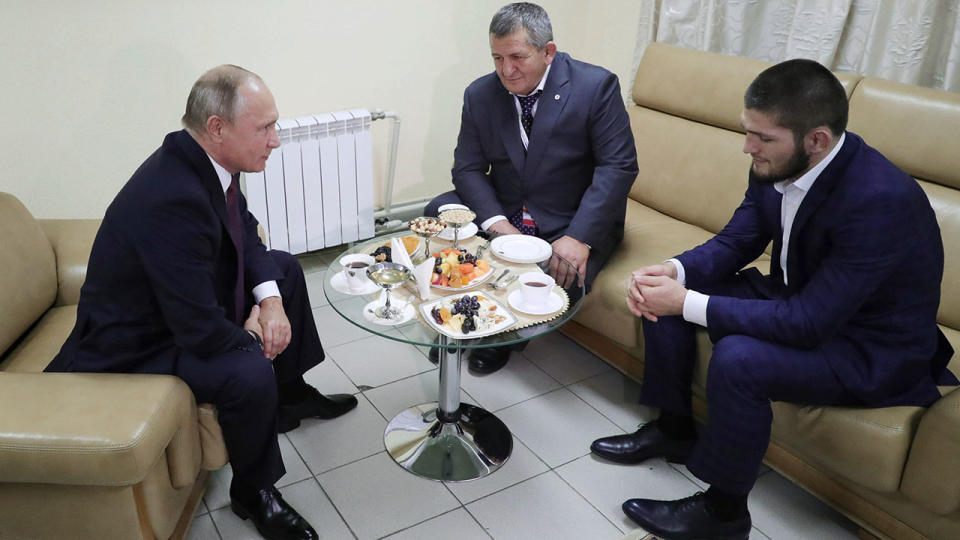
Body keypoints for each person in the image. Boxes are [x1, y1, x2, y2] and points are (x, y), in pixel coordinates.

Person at [589, 59, 956, 540]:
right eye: (747, 132)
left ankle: (724, 515)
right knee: (668, 295)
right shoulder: (776, 162)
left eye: (762, 138)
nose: (748, 147)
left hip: (869, 346)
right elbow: (738, 240)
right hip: (800, 298)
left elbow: (809, 323)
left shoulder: (880, 201)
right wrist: (673, 273)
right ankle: (674, 428)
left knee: (739, 359)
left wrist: (687, 302)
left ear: (817, 140)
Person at [46, 65, 359, 540]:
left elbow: (246, 233)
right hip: (137, 343)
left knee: (285, 272)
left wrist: (270, 304)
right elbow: (200, 332)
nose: (275, 140)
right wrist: (255, 336)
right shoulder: (170, 196)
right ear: (217, 128)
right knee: (248, 368)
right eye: (265, 128)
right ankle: (253, 493)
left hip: (180, 308)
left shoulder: (207, 161)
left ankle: (289, 397)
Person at [425, 2, 638, 374]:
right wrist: (498, 226)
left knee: (559, 272)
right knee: (438, 213)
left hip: (569, 219)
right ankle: (462, 317)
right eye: (497, 58)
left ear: (548, 51)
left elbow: (618, 167)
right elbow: (468, 168)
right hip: (507, 211)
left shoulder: (595, 86)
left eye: (518, 57)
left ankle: (503, 334)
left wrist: (580, 237)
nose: (507, 70)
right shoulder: (481, 94)